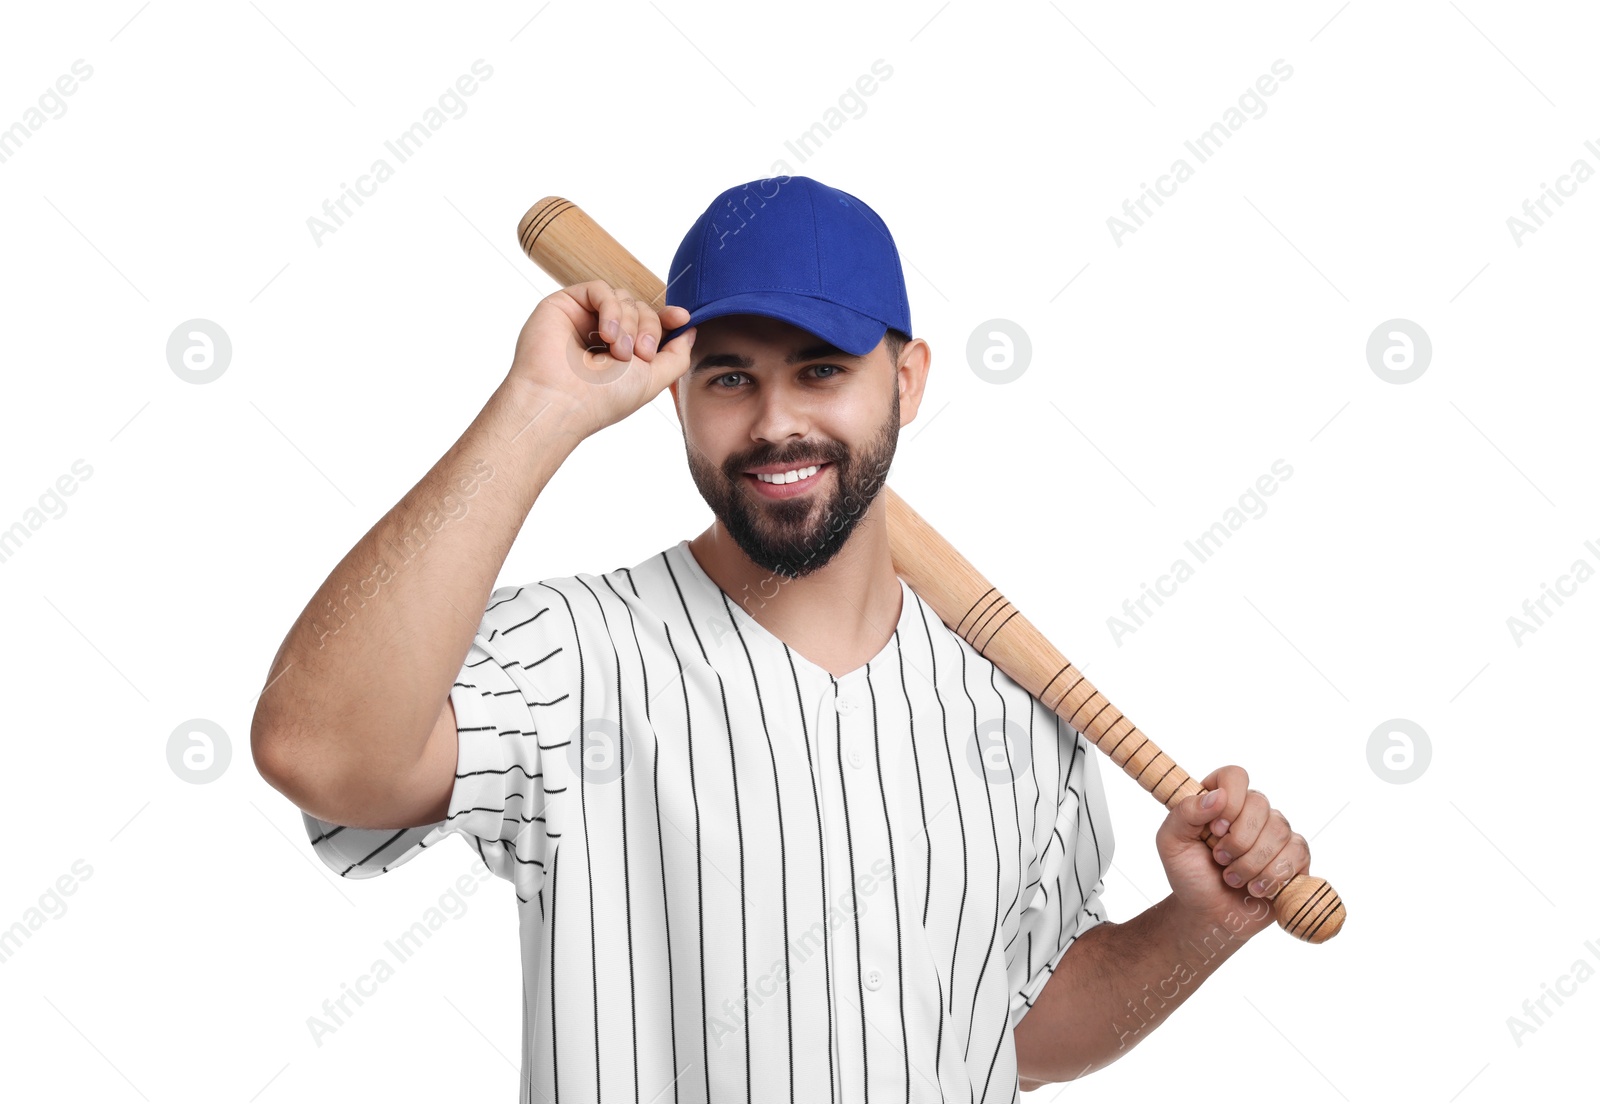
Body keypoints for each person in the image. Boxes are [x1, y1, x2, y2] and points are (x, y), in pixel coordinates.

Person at [252, 175, 1314, 1102]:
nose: (771, 424)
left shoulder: (1015, 712)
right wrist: (538, 408)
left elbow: (1016, 1035)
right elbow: (321, 752)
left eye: (819, 370)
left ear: (905, 380)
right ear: (672, 394)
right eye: (728, 376)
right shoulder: (570, 658)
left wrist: (1200, 926)